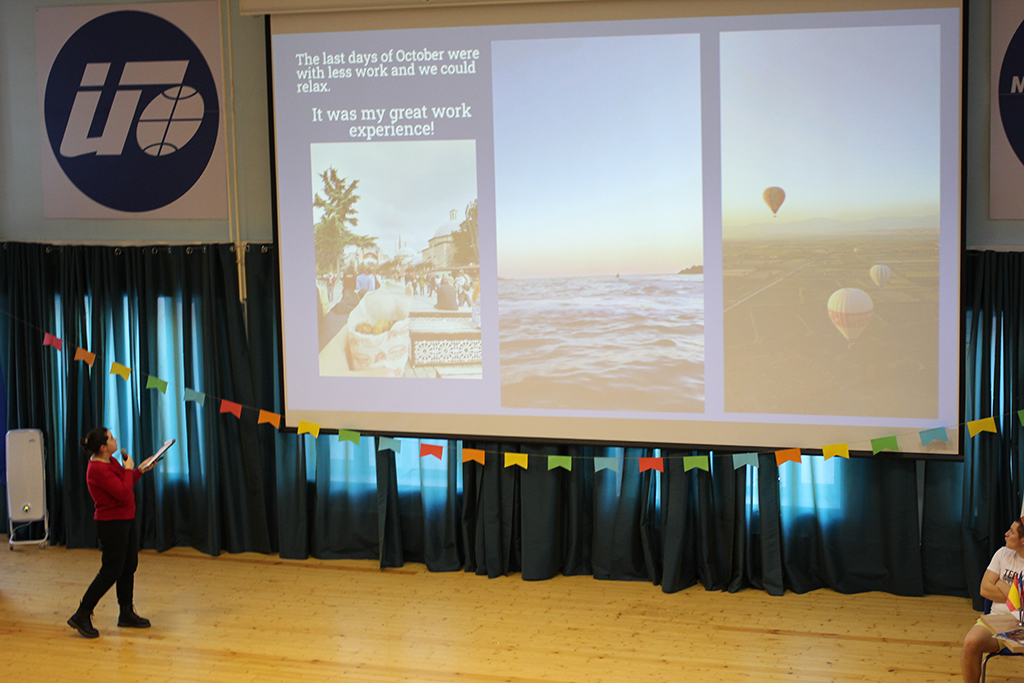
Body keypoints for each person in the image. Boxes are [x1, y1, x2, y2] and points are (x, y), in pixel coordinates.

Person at [67, 428, 158, 638]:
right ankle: (82, 613)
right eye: (111, 438)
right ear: (103, 447)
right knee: (110, 571)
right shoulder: (97, 469)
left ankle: (126, 613)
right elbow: (124, 493)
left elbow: (124, 485)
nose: (115, 439)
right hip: (112, 525)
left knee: (128, 566)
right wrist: (129, 469)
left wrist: (139, 470)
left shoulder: (110, 461)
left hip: (126, 520)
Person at [961, 518, 1024, 682]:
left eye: (1012, 532)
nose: (1006, 534)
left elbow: (1022, 604)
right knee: (970, 643)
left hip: (1021, 625)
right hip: (996, 620)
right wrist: (1014, 595)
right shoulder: (1002, 553)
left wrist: (1001, 584)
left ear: (1023, 540)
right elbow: (984, 589)